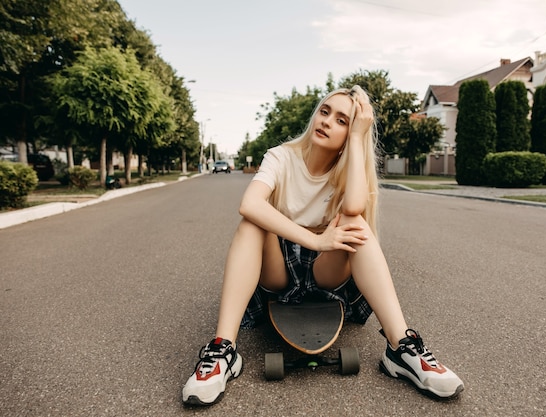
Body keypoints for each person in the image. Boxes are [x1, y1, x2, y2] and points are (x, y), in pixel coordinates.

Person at [182, 86, 464, 406]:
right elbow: (249, 203)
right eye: (325, 112)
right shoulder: (281, 156)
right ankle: (222, 352)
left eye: (343, 121)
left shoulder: (349, 168)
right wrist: (315, 238)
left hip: (326, 269)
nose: (328, 121)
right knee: (252, 224)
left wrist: (358, 138)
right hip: (279, 270)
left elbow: (355, 206)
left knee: (355, 224)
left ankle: (402, 348)